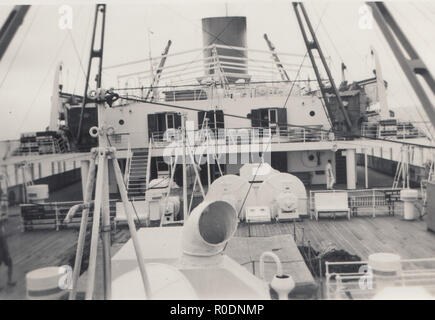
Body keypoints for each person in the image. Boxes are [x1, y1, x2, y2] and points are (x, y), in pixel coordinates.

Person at [0, 185, 15, 289]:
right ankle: (8, 281)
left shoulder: (2, 205)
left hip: (2, 237)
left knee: (9, 261)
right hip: (1, 238)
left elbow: (4, 218)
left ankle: (9, 281)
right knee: (5, 260)